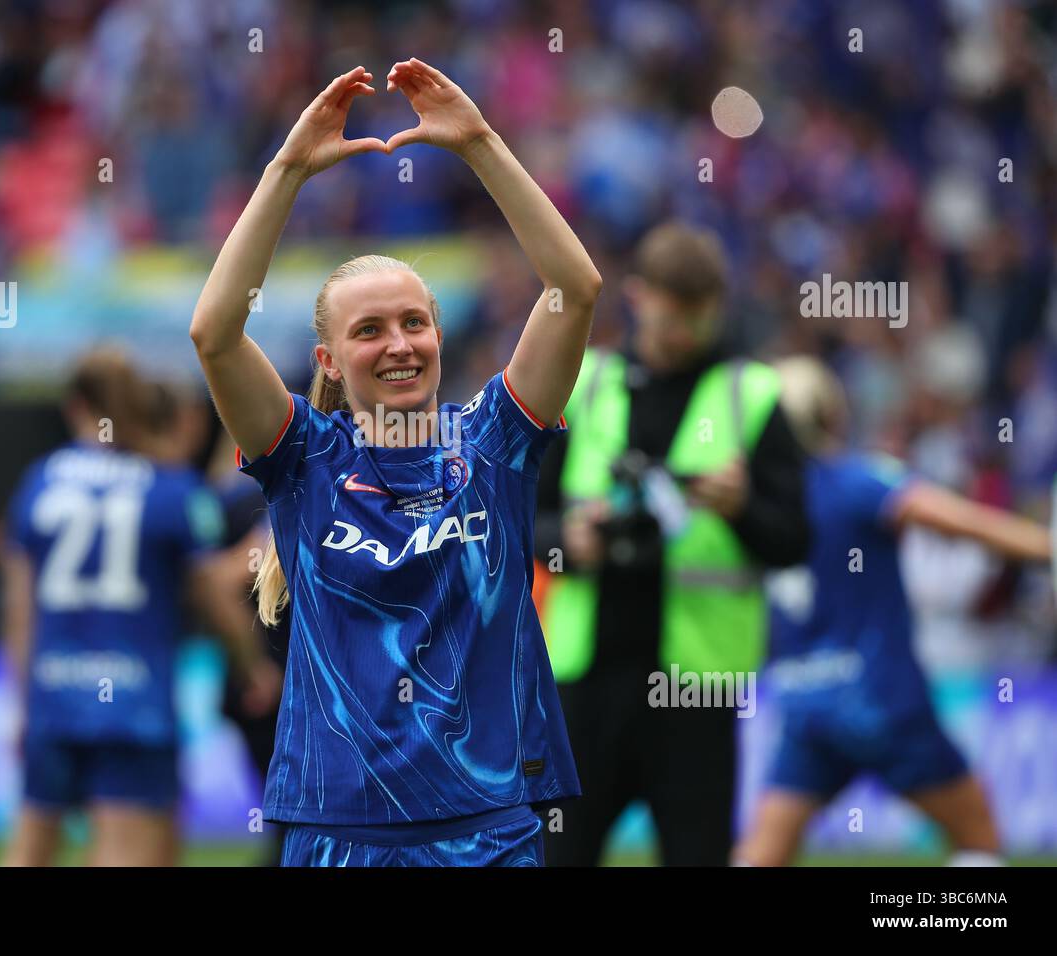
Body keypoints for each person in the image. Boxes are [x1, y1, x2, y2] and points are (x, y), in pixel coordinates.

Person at [190, 60, 600, 866]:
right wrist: (287, 172)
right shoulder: (303, 457)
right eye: (370, 330)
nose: (400, 344)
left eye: (415, 322)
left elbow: (575, 289)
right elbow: (214, 334)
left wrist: (480, 144)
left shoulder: (494, 443)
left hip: (488, 826)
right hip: (339, 830)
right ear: (330, 360)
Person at [536, 221, 811, 866]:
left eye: (699, 312)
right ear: (637, 297)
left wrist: (743, 509)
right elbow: (519, 517)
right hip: (585, 681)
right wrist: (567, 542)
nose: (684, 328)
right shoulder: (585, 383)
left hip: (698, 689)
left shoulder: (754, 397)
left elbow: (795, 542)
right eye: (672, 312)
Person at [734, 356, 1051, 867]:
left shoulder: (757, 502)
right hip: (880, 699)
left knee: (761, 855)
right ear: (832, 413)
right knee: (979, 839)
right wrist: (1043, 546)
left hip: (803, 702)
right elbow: (957, 520)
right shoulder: (855, 481)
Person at [0, 348, 267, 866]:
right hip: (134, 703)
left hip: (53, 694)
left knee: (29, 850)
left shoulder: (40, 481)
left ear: (74, 404)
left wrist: (23, 703)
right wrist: (250, 664)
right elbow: (213, 597)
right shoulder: (171, 490)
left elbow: (19, 612)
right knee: (130, 853)